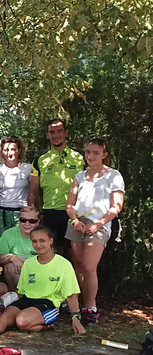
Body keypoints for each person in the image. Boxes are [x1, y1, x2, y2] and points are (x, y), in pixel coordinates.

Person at [0, 226, 85, 336]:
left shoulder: (63, 264)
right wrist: (9, 299)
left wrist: (75, 318)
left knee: (21, 320)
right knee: (5, 318)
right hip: (27, 300)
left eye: (42, 240)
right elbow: (21, 291)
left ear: (51, 240)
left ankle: (41, 323)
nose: (38, 244)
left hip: (48, 303)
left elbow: (71, 294)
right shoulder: (29, 263)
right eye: (34, 241)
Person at [65, 138, 124, 324]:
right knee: (79, 265)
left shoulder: (113, 176)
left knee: (90, 266)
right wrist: (74, 220)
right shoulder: (80, 176)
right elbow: (70, 204)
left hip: (99, 225)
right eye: (88, 152)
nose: (90, 156)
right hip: (78, 222)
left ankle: (91, 307)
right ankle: (80, 305)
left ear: (104, 154)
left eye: (96, 152)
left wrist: (98, 224)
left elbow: (117, 206)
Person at [29, 119, 86, 254]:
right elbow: (33, 191)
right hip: (50, 213)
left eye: (59, 131)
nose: (56, 135)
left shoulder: (81, 157)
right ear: (47, 135)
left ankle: (75, 276)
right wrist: (35, 213)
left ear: (66, 133)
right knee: (53, 253)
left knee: (76, 255)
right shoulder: (40, 160)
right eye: (52, 132)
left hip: (75, 214)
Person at [0, 136, 32, 236]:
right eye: (6, 150)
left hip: (21, 212)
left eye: (13, 149)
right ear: (1, 151)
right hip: (1, 212)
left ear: (19, 150)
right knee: (1, 241)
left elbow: (33, 191)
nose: (9, 153)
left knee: (19, 241)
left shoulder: (28, 168)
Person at [0, 206, 41, 292]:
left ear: (37, 222)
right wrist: (12, 258)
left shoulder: (43, 236)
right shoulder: (8, 234)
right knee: (9, 267)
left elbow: (48, 260)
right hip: (18, 272)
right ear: (19, 221)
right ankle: (15, 296)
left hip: (39, 270)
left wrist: (21, 260)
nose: (27, 224)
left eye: (32, 221)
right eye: (23, 220)